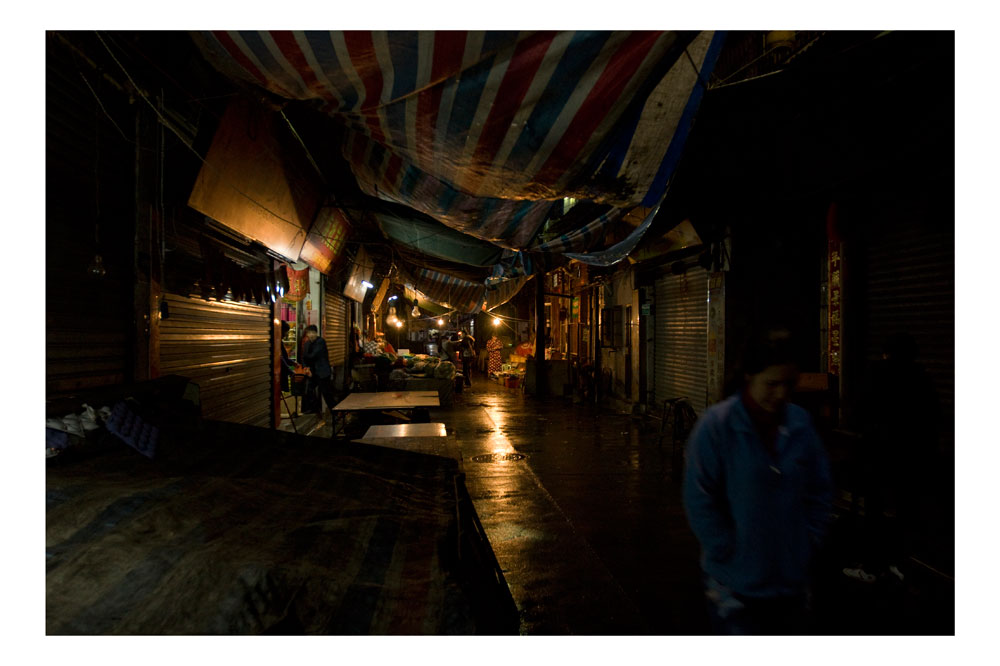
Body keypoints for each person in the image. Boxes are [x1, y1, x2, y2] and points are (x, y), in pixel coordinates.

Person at [683, 328, 833, 635]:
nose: (780, 394)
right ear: (750, 375)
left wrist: (809, 539)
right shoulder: (717, 426)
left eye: (789, 385)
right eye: (772, 384)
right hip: (734, 585)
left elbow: (820, 488)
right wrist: (725, 548)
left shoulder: (800, 424)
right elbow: (699, 497)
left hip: (791, 581)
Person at [843, 333, 939, 585]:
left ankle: (873, 567)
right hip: (913, 457)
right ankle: (902, 564)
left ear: (886, 353)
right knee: (907, 511)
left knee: (874, 510)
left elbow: (855, 414)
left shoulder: (876, 375)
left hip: (877, 455)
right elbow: (934, 419)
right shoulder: (923, 379)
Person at [300, 324, 338, 415]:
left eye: (313, 333)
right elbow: (303, 358)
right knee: (309, 390)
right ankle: (313, 409)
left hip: (322, 372)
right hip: (312, 372)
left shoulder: (321, 342)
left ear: (316, 333)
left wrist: (306, 359)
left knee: (326, 393)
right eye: (309, 333)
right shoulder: (307, 344)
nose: (311, 335)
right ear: (307, 334)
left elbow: (312, 355)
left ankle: (335, 411)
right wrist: (306, 368)